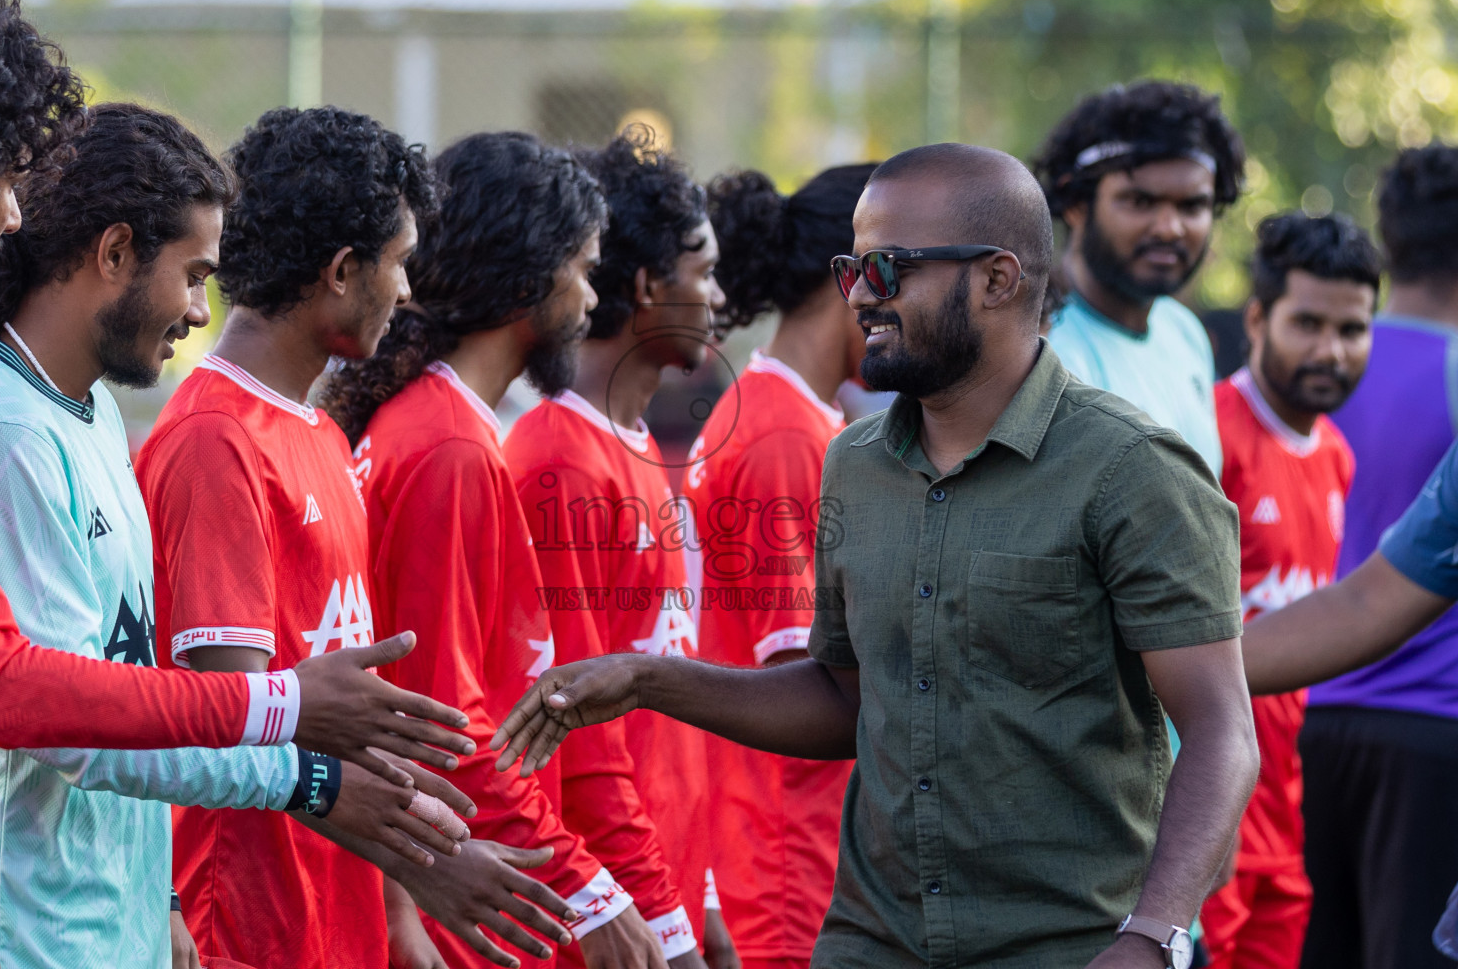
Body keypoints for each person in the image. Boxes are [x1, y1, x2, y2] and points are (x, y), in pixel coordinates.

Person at [494, 144, 1259, 969]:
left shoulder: (1132, 469)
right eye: (850, 267)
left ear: (998, 279)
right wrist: (647, 682)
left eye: (887, 269)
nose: (858, 296)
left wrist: (1153, 935)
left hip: (1068, 946)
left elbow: (1222, 733)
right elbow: (846, 700)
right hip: (869, 942)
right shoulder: (853, 463)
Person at [0, 0, 467, 968]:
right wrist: (296, 747)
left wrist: (163, 892)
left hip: (107, 926)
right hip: (32, 932)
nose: (199, 312)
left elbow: (119, 681)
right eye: (193, 275)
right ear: (118, 253)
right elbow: (46, 713)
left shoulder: (83, 419)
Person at [135, 105, 495, 969]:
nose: (408, 292)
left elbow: (349, 705)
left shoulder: (321, 434)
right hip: (246, 924)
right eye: (400, 264)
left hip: (337, 907)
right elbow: (231, 723)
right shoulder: (214, 442)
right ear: (341, 271)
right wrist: (425, 850)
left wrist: (399, 909)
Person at [321, 130, 666, 969]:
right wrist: (590, 892)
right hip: (468, 904)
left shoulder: (448, 429)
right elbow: (442, 721)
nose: (591, 298)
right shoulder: (449, 449)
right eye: (583, 269)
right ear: (530, 274)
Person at [504, 128, 728, 968]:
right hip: (603, 925)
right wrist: (656, 923)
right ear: (646, 285)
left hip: (661, 889)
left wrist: (697, 897)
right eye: (703, 273)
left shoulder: (632, 446)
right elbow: (575, 728)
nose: (718, 298)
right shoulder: (555, 457)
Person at [1245, 147, 1458, 969]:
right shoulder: (1433, 371)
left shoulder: (1305, 379)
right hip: (1424, 735)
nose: (1334, 347)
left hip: (1305, 723)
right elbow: (1372, 598)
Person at [684, 162, 875, 969]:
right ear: (854, 280)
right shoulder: (782, 436)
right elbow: (802, 677)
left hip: (783, 842)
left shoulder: (799, 418)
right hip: (777, 854)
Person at [1197, 212, 1378, 969]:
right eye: (1308, 323)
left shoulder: (1336, 453)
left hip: (1286, 807)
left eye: (1352, 328)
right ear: (1257, 319)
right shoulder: (1207, 433)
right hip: (1206, 809)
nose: (1330, 350)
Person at [1034, 79, 1247, 476]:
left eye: (1192, 205)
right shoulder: (1041, 352)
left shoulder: (1184, 332)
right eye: (1140, 201)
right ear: (1077, 202)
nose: (1169, 228)